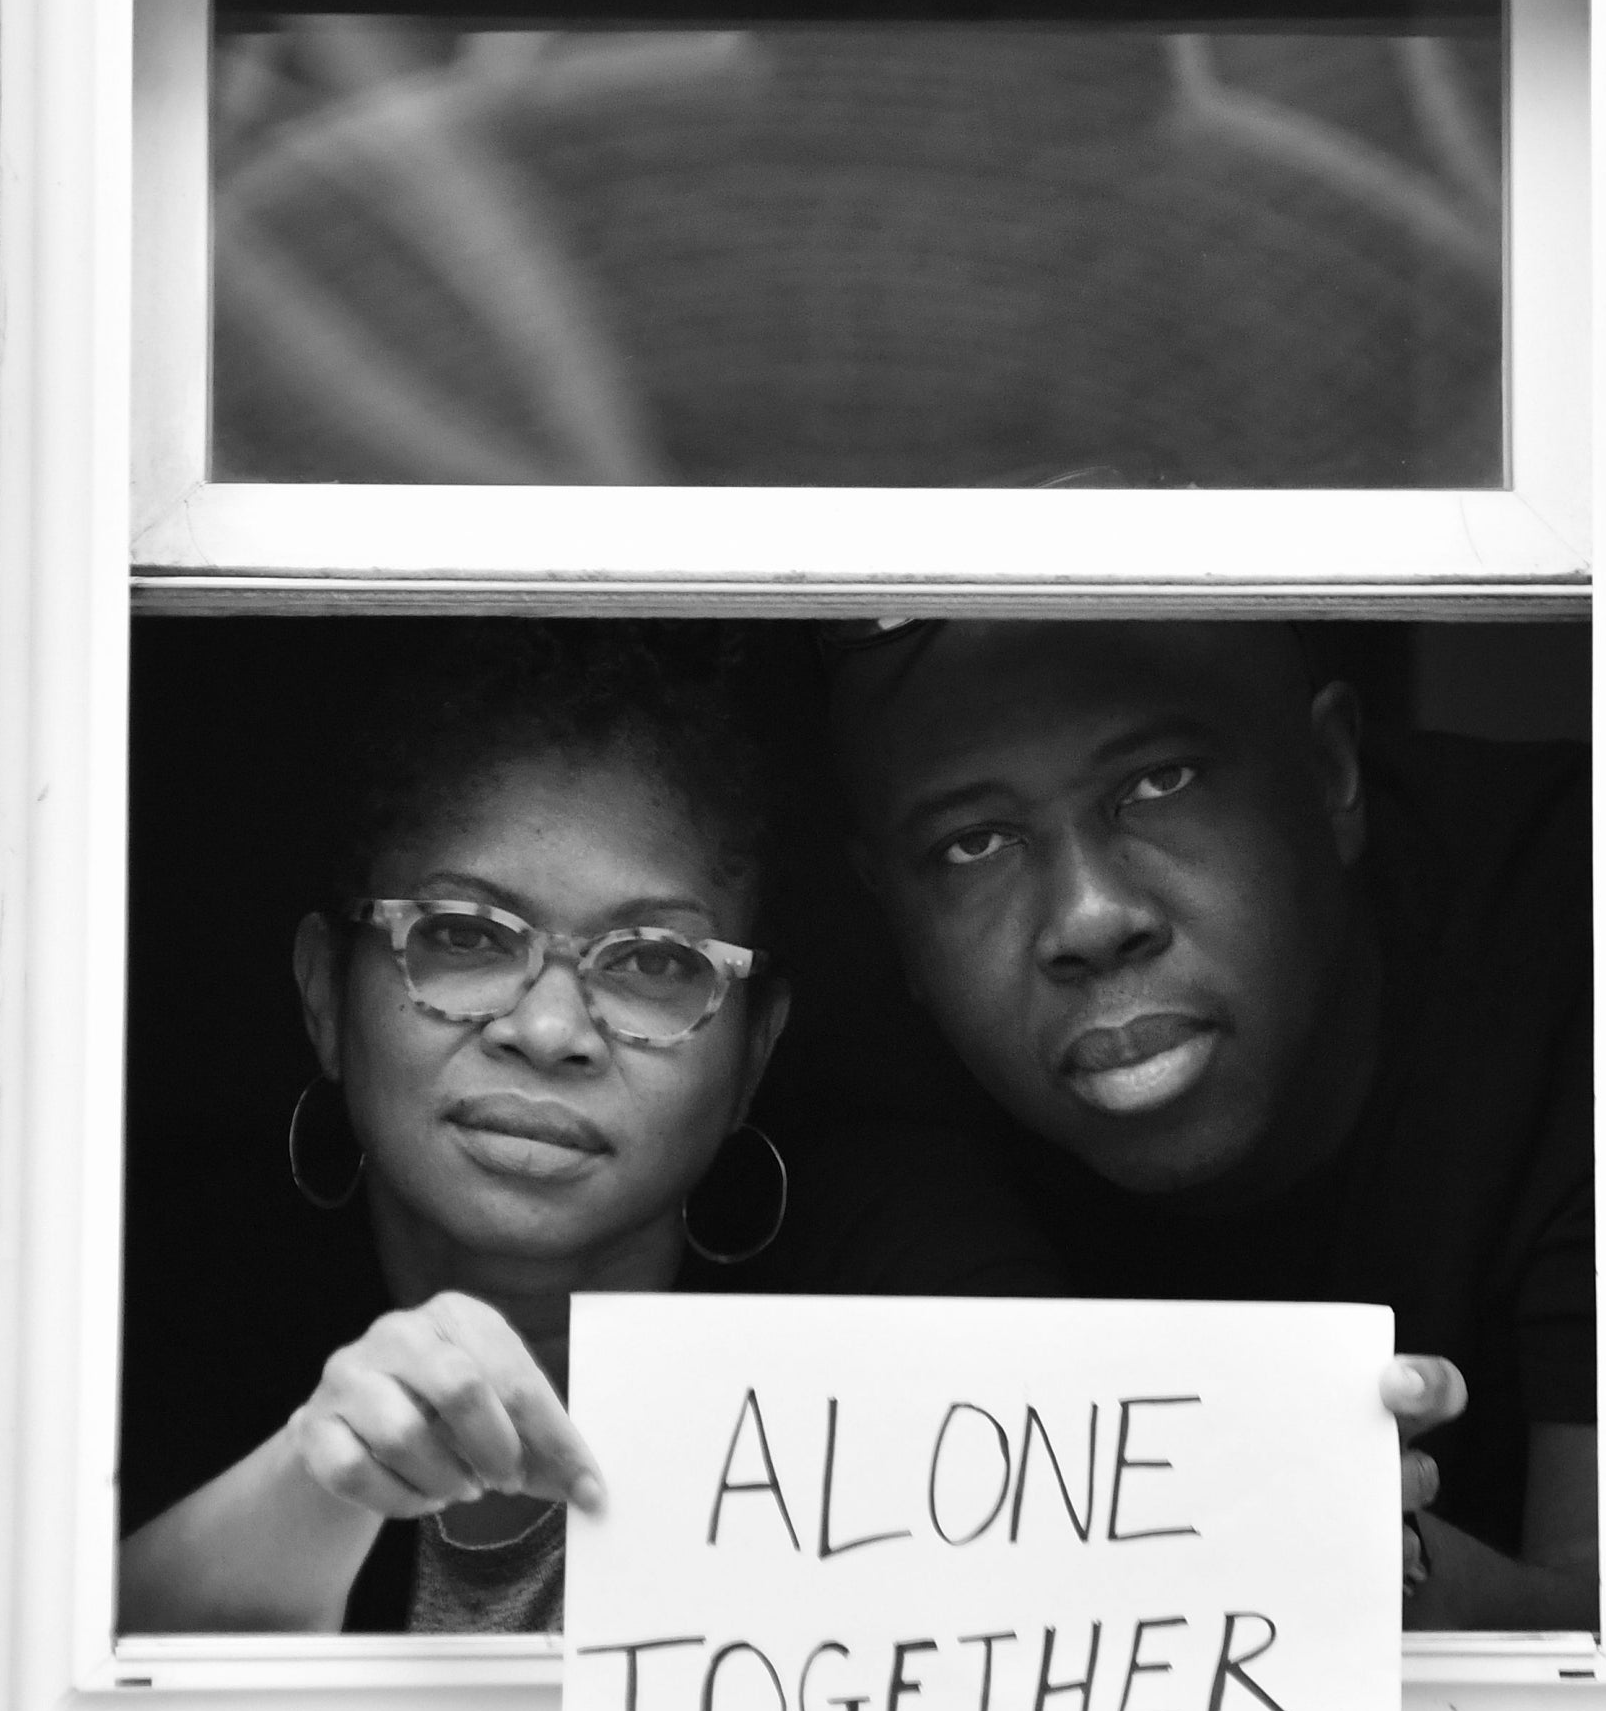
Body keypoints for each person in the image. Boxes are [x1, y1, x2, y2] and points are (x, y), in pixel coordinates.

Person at [117, 622, 1056, 1636]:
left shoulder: (894, 1273)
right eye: (464, 936)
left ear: (753, 1053)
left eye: (653, 962)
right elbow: (35, 1688)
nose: (550, 1030)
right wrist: (319, 1477)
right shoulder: (162, 1287)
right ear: (325, 1000)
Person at [827, 618, 1598, 1632]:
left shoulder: (1599, 917)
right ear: (893, 922)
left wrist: (1379, 1580)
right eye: (973, 844)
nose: (1090, 918)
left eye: (1158, 782)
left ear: (1328, 773)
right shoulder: (835, 1094)